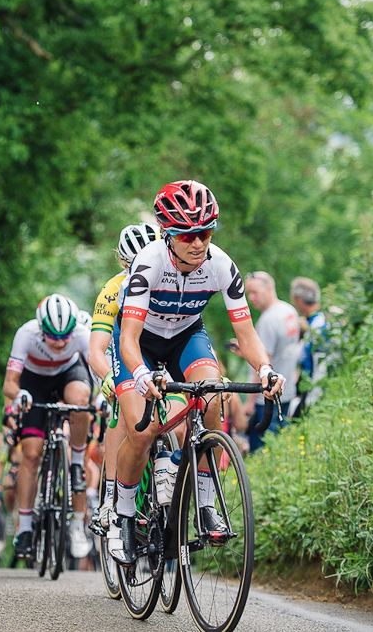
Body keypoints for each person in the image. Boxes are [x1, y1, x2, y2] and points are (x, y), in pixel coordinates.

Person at [109, 180, 284, 565]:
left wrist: (265, 369)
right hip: (140, 341)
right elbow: (129, 339)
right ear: (167, 234)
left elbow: (246, 333)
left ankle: (206, 505)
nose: (198, 242)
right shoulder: (148, 264)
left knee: (212, 395)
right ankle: (122, 516)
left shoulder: (221, 265)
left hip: (186, 336)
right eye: (187, 234)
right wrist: (141, 375)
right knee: (142, 429)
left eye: (205, 232)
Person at [5, 293, 94, 561]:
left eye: (65, 335)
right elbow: (9, 383)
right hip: (34, 382)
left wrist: (103, 396)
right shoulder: (26, 334)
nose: (59, 341)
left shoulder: (82, 334)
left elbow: (98, 372)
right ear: (40, 327)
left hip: (69, 374)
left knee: (81, 401)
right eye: (53, 335)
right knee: (31, 454)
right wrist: (19, 394)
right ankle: (25, 528)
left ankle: (75, 463)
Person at [86, 223, 156, 534]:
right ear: (122, 263)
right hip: (119, 350)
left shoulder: (172, 280)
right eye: (133, 265)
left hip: (156, 349)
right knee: (123, 409)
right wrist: (107, 378)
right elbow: (96, 350)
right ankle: (110, 495)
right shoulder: (113, 288)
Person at [239, 271, 301, 452]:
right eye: (248, 293)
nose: (251, 298)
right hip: (287, 390)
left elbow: (264, 364)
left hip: (266, 397)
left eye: (255, 292)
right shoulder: (289, 311)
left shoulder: (267, 321)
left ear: (268, 289)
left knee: (262, 451)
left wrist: (250, 402)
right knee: (282, 446)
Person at [289, 276, 330, 417]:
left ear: (299, 300)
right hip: (309, 386)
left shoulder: (318, 325)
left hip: (313, 388)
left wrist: (313, 399)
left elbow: (320, 363)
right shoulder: (315, 322)